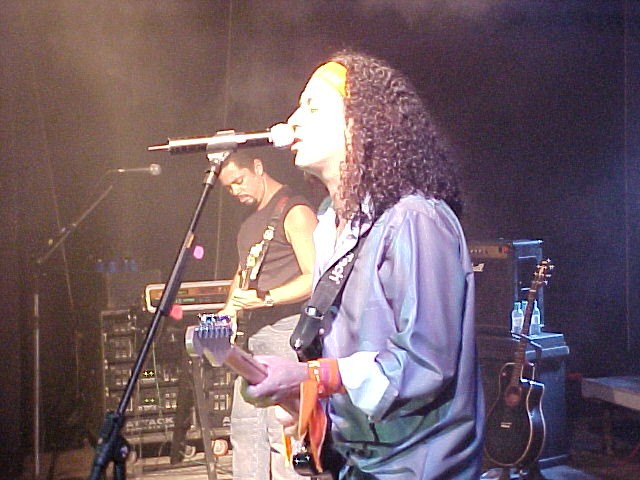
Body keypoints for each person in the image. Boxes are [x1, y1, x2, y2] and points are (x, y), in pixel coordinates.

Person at [243, 51, 485, 479]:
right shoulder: (328, 225)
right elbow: (348, 364)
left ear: (361, 124)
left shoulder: (414, 219)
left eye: (312, 108)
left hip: (418, 465)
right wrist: (307, 401)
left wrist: (311, 374)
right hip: (360, 463)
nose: (292, 121)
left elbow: (426, 363)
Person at [216, 151, 318, 480]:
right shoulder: (249, 223)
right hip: (253, 336)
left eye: (239, 181)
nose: (236, 191)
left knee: (283, 432)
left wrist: (267, 299)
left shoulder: (295, 210)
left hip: (286, 330)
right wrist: (229, 310)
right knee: (245, 429)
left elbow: (315, 277)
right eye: (229, 188)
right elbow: (243, 272)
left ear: (258, 167)